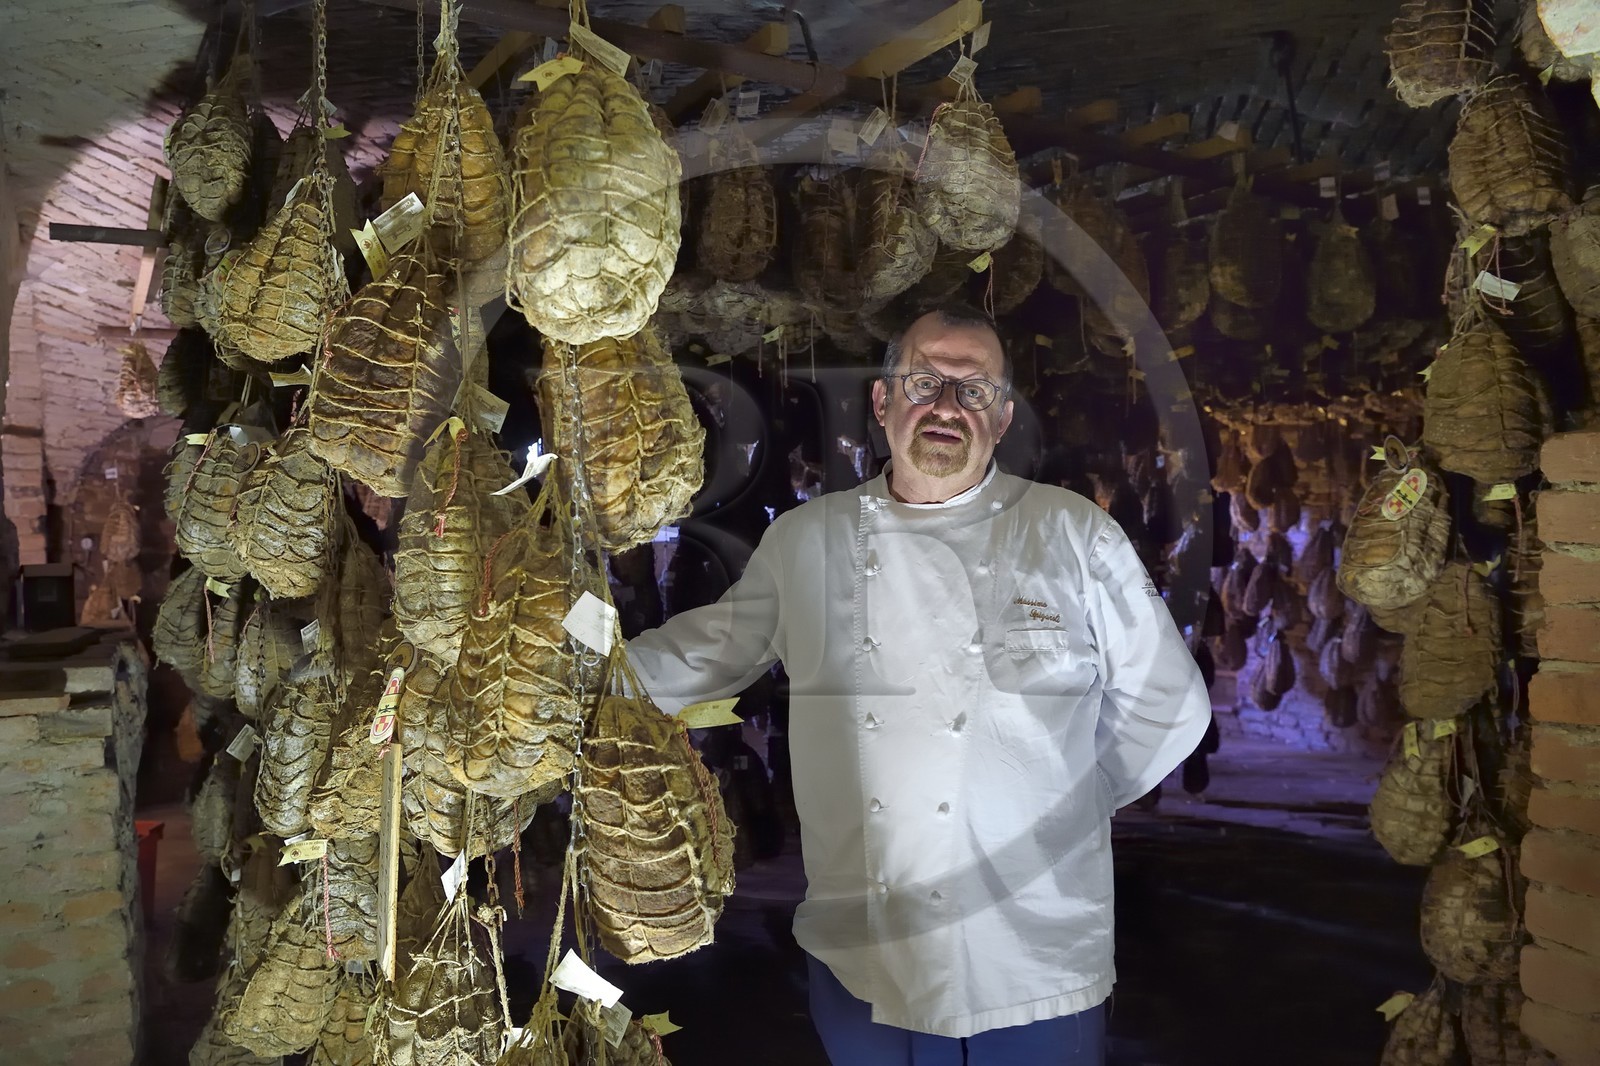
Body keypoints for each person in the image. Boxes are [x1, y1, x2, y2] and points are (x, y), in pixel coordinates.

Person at [626, 304, 1211, 1065]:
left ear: (1001, 418)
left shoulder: (1072, 535)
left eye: (974, 391)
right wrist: (568, 672)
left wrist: (1071, 800)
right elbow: (707, 652)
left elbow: (1170, 706)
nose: (947, 406)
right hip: (863, 950)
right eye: (926, 381)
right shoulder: (809, 541)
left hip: (1031, 951)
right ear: (882, 401)